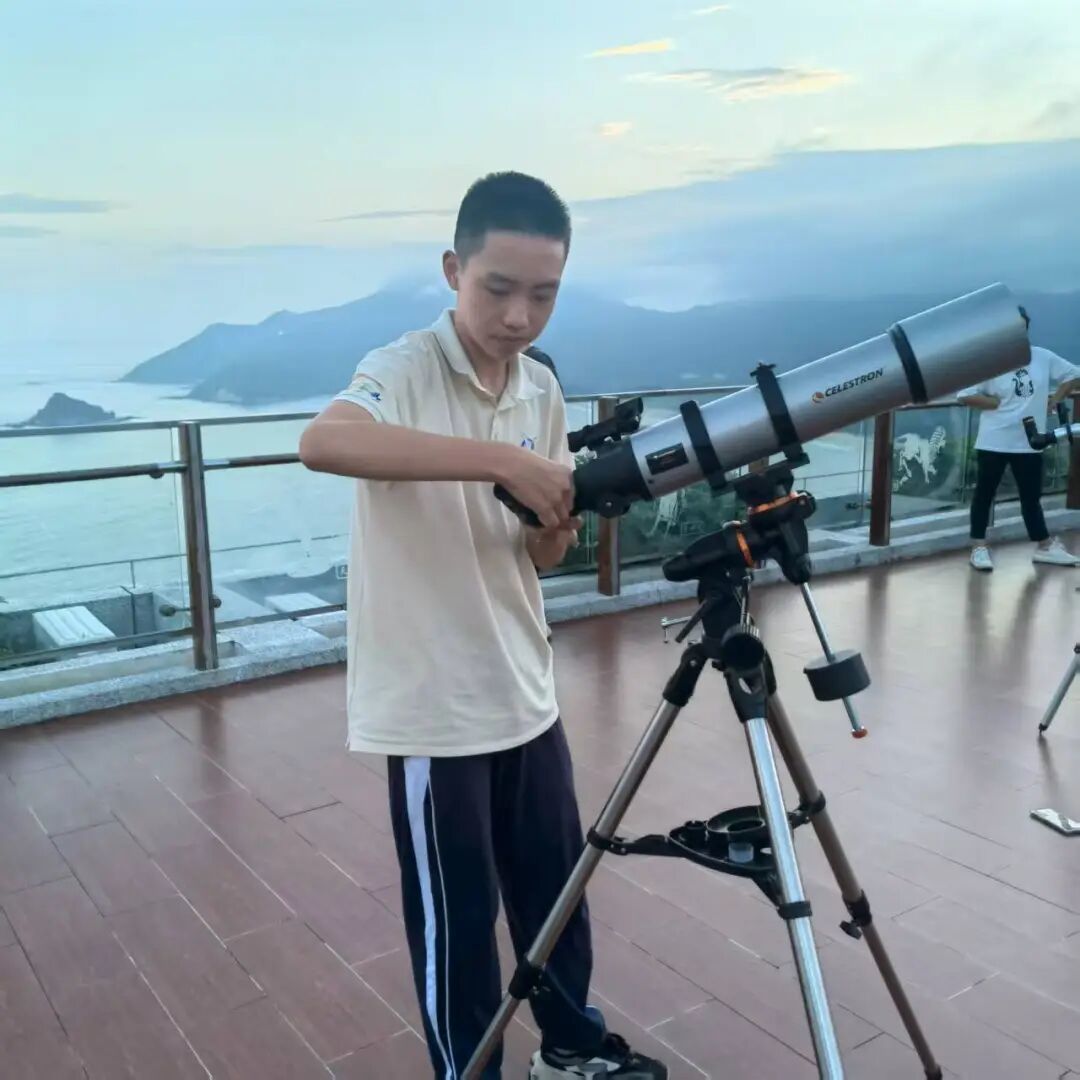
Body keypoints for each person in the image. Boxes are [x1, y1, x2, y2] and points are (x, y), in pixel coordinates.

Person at [299, 171, 667, 1080]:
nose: (518, 316)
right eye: (497, 288)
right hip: (433, 707)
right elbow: (324, 442)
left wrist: (550, 525)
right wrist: (501, 461)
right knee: (459, 922)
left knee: (556, 893)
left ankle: (570, 1049)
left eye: (543, 294)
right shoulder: (403, 367)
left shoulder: (540, 387)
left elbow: (538, 557)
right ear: (452, 270)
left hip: (523, 684)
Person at [957, 342, 1080, 571]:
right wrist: (994, 403)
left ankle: (1044, 546)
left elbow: (1074, 375)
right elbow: (965, 395)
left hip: (1030, 440)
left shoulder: (1042, 356)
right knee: (984, 494)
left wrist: (1056, 399)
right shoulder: (991, 359)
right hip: (994, 441)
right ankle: (979, 547)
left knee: (1031, 497)